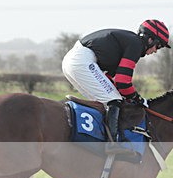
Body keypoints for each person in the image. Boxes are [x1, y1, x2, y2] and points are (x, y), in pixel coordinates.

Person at [62, 19, 170, 154]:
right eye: (158, 46)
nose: (155, 51)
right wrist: (137, 98)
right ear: (149, 39)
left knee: (109, 99)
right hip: (82, 62)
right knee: (114, 100)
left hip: (75, 61)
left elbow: (110, 80)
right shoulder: (135, 44)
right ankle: (112, 144)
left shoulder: (128, 42)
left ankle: (96, 139)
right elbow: (122, 82)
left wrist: (130, 97)